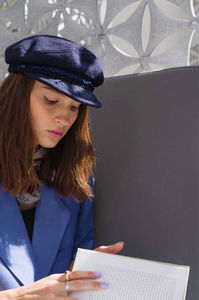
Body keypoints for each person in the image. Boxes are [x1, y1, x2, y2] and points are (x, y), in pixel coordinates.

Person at [0, 35, 124, 299]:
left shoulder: (75, 178)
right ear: (17, 96)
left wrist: (83, 272)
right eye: (51, 100)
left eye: (75, 107)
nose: (64, 119)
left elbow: (63, 278)